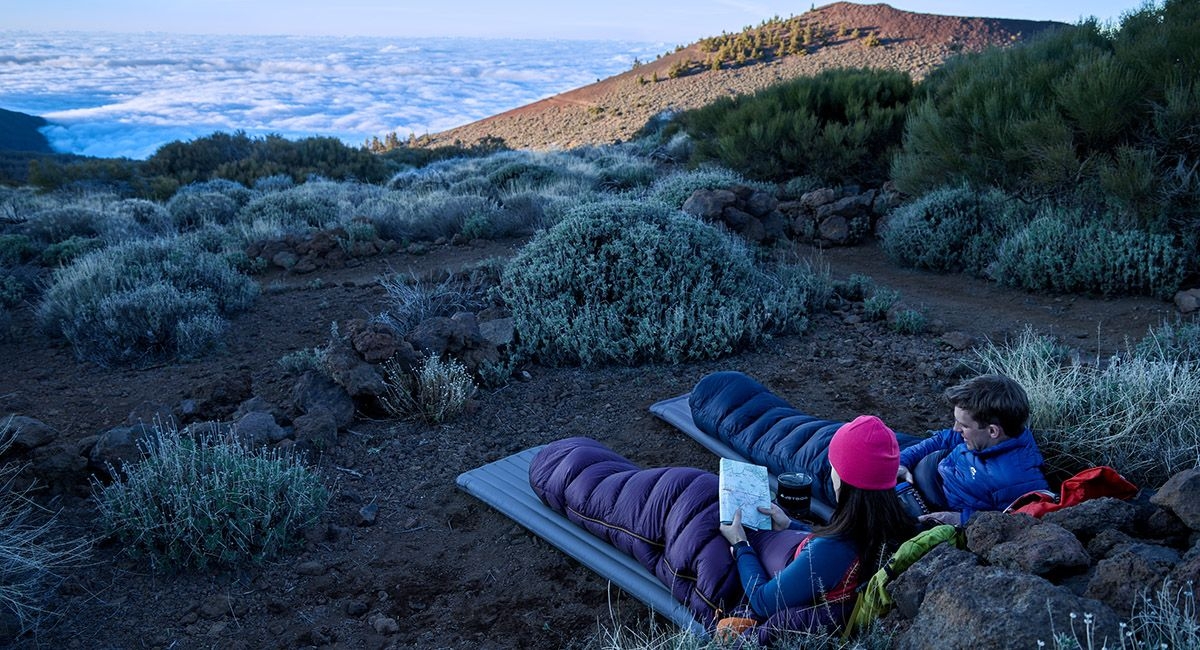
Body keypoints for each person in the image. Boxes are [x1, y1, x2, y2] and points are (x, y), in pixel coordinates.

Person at [718, 414, 918, 624]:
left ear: (841, 480)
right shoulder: (892, 525)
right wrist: (790, 525)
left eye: (833, 465)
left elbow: (763, 602)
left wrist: (740, 545)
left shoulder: (835, 548)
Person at [896, 374, 1048, 526]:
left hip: (928, 502)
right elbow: (943, 439)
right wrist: (902, 461)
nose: (956, 429)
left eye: (964, 425)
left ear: (993, 431)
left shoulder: (1016, 480)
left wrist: (960, 519)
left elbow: (1013, 523)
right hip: (923, 470)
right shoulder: (981, 437)